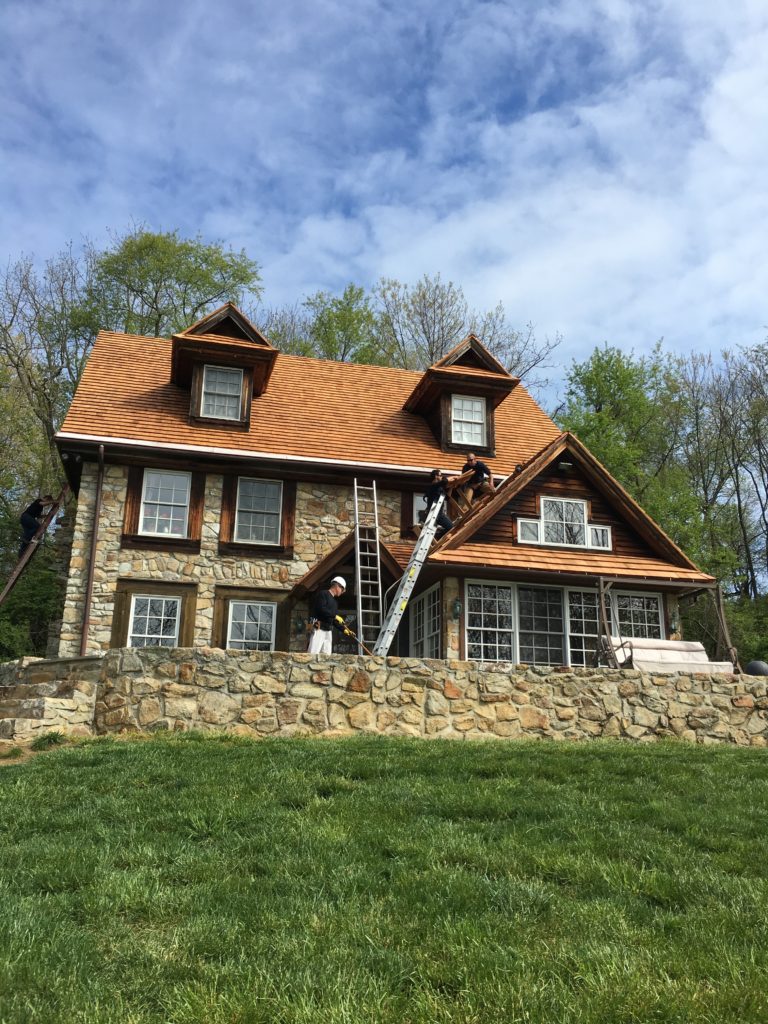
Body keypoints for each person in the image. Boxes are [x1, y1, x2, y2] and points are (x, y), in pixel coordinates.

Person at [307, 576, 347, 654]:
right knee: (313, 653)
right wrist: (335, 616)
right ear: (337, 586)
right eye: (342, 589)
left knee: (327, 656)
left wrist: (343, 629)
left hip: (328, 631)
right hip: (318, 628)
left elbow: (332, 619)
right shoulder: (323, 594)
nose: (342, 592)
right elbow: (321, 609)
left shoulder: (335, 603)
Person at [18, 494, 55, 558]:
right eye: (47, 501)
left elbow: (38, 516)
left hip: (26, 519)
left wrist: (47, 515)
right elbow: (42, 503)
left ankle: (21, 554)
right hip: (26, 517)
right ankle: (25, 538)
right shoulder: (38, 501)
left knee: (28, 536)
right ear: (45, 498)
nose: (47, 504)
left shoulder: (40, 508)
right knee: (38, 527)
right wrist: (53, 501)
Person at [423, 469, 455, 538]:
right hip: (434, 513)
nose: (441, 477)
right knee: (451, 527)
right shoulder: (433, 486)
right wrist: (454, 478)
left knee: (451, 528)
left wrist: (451, 487)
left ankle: (437, 536)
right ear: (436, 476)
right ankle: (437, 536)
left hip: (439, 513)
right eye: (440, 475)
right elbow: (444, 481)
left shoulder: (440, 488)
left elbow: (447, 498)